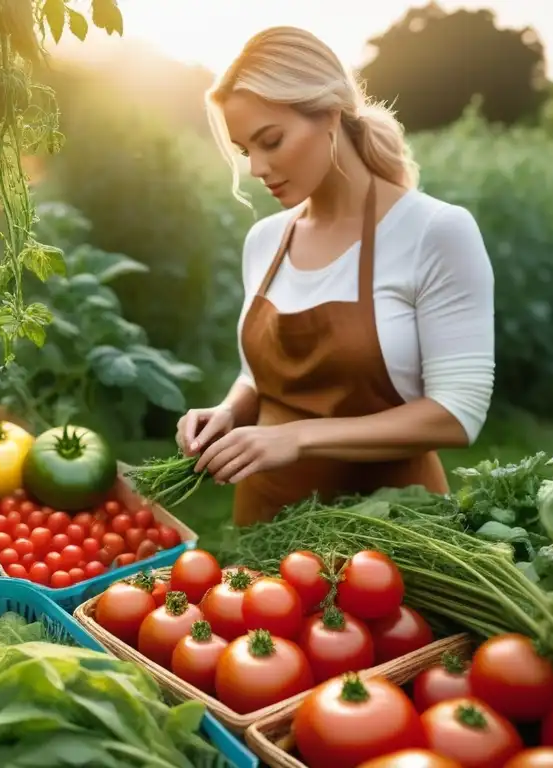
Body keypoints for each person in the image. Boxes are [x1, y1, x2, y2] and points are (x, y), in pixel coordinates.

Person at [176, 26, 495, 526]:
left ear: (328, 111)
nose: (258, 168)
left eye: (271, 140)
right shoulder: (264, 241)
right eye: (245, 151)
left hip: (393, 532)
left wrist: (297, 436)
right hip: (267, 525)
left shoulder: (433, 231)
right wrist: (230, 412)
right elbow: (260, 376)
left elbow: (458, 413)